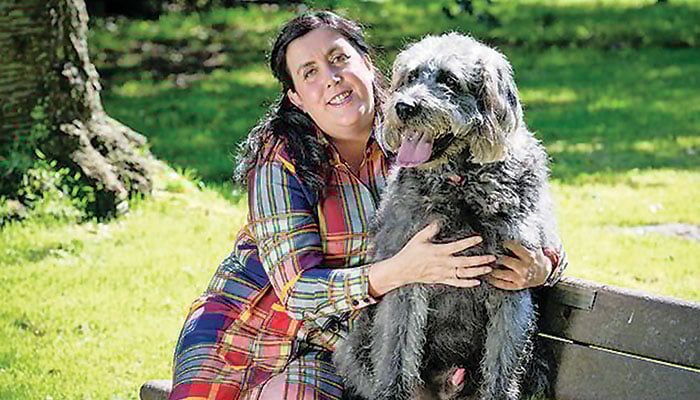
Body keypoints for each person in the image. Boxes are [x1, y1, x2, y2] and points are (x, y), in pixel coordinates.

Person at [169, 10, 567, 400]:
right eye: (309, 73)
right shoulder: (280, 161)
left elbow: (535, 234)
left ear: (367, 63)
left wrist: (543, 266)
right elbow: (298, 293)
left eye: (339, 58)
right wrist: (398, 270)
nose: (331, 78)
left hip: (333, 343)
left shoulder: (415, 134)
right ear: (296, 98)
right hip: (252, 329)